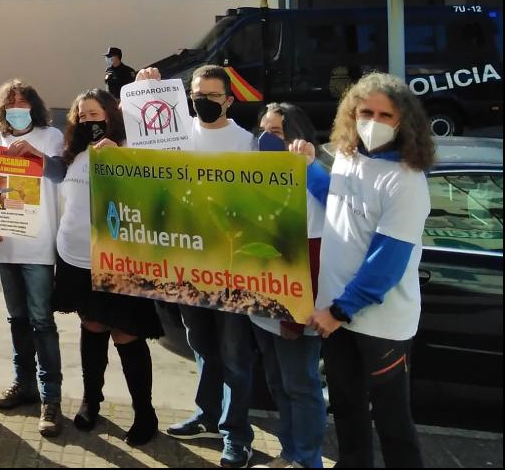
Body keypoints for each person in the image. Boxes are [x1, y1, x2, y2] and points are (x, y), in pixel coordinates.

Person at [14, 88, 163, 446]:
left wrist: (125, 156)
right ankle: (90, 401)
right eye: (82, 116)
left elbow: (156, 185)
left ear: (111, 114)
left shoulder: (132, 146)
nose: (88, 122)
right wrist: (35, 155)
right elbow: (56, 174)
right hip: (75, 257)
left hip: (118, 258)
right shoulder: (76, 150)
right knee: (92, 326)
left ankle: (145, 413)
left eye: (94, 115)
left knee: (126, 333)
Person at [308, 73, 435, 468]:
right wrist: (308, 167)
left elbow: (386, 264)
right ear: (352, 114)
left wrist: (338, 310)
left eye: (386, 114)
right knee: (347, 411)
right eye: (366, 112)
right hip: (337, 315)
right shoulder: (348, 155)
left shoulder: (408, 181)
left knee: (392, 420)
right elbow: (336, 200)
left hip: (378, 323)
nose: (373, 122)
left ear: (404, 122)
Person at [164, 64, 258, 469]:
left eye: (211, 96)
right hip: (187, 260)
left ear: (229, 100)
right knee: (200, 343)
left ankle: (237, 433)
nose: (202, 102)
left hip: (231, 265)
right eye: (197, 95)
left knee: (235, 352)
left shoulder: (246, 142)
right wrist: (146, 85)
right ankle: (207, 413)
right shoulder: (177, 134)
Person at [0, 79, 64, 438]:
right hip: (6, 247)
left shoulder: (51, 137)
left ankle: (51, 399)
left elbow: (61, 174)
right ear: (2, 110)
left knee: (41, 323)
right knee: (17, 320)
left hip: (38, 248)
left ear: (34, 105)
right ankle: (24, 384)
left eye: (23, 102)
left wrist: (35, 156)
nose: (17, 108)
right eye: (10, 103)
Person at [252, 103, 328, 469]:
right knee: (279, 385)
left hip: (297, 307)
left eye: (278, 132)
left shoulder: (313, 173)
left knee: (302, 386)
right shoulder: (256, 176)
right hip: (264, 305)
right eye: (264, 130)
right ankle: (290, 454)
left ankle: (308, 460)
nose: (268, 138)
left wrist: (294, 317)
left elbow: (315, 245)